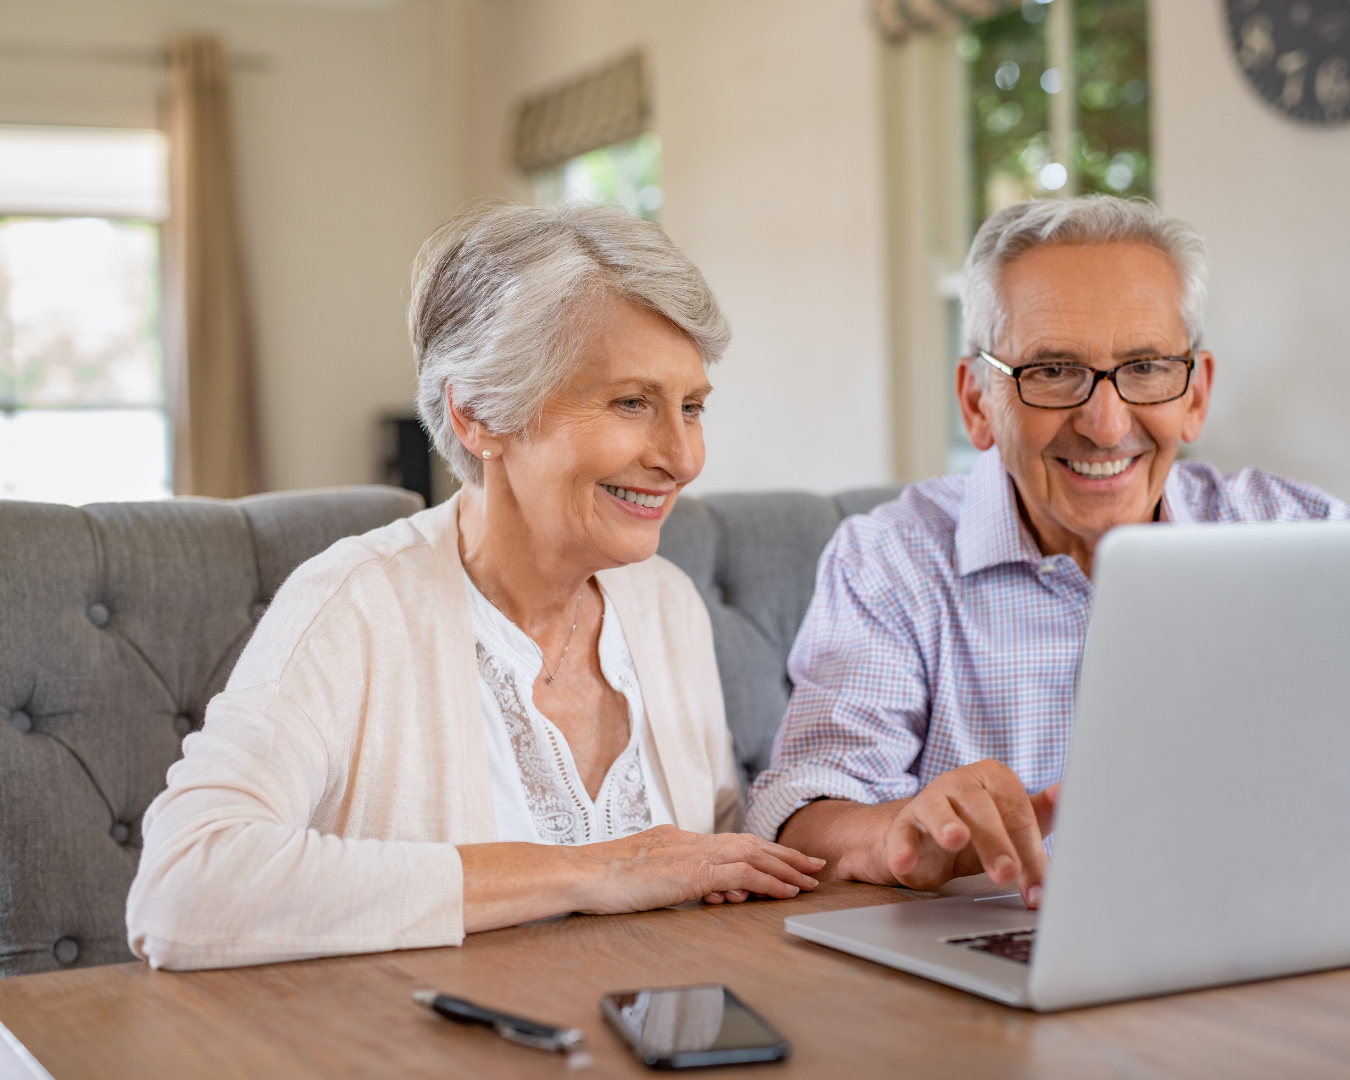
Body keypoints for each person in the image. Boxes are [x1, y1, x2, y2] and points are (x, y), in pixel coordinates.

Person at [126, 202, 822, 970]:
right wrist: (595, 872)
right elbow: (181, 886)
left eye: (691, 407)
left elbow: (706, 858)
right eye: (632, 402)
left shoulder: (664, 604)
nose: (683, 456)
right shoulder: (354, 606)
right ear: (479, 414)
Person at [746, 196, 1348, 909]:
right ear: (977, 402)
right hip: (989, 974)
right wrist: (899, 838)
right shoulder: (890, 560)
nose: (1105, 423)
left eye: (1148, 366)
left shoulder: (1302, 532)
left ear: (1196, 393)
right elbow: (805, 809)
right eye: (1054, 370)